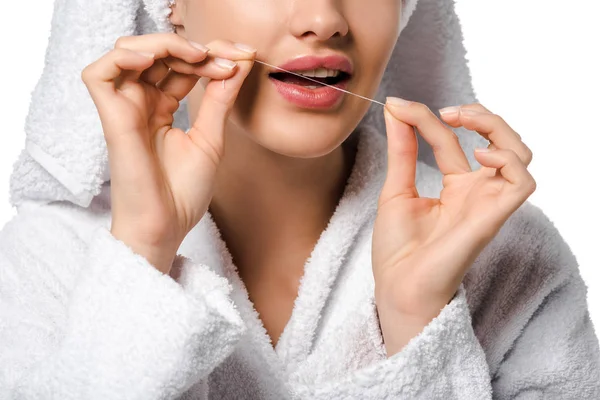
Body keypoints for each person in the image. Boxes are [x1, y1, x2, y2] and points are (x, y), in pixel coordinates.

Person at [1, 0, 599, 398]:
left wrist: (416, 321)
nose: (323, 19)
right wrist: (141, 253)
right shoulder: (45, 257)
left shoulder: (510, 250)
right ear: (172, 8)